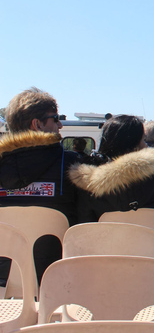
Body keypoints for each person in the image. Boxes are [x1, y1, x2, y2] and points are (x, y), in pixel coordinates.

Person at [0, 87, 79, 284]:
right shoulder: (72, 165)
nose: (60, 125)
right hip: (56, 278)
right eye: (55, 118)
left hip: (2, 278)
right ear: (37, 124)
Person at [68, 115, 154, 225]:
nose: (146, 145)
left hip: (102, 242)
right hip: (149, 242)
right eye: (143, 140)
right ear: (135, 145)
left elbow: (83, 223)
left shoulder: (86, 183)